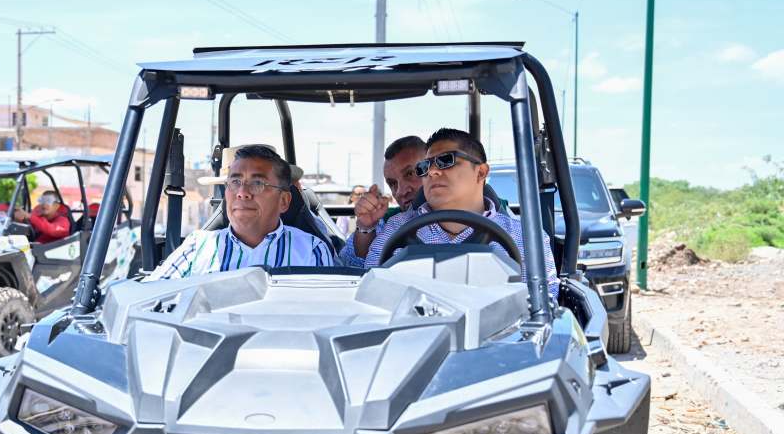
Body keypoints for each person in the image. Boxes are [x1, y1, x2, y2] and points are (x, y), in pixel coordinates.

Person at [365, 127, 559, 299]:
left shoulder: (526, 238)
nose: (432, 172)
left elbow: (542, 307)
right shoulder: (395, 229)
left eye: (445, 161)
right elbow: (369, 296)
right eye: (425, 167)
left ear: (481, 172)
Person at [147, 145, 334, 280]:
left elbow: (323, 316)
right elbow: (150, 299)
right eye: (235, 182)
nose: (242, 193)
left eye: (258, 183)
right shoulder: (197, 247)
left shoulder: (311, 250)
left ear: (284, 201)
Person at [339, 136, 426, 268]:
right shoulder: (389, 221)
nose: (400, 191)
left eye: (410, 174)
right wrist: (366, 227)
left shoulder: (465, 213)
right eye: (392, 184)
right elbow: (352, 268)